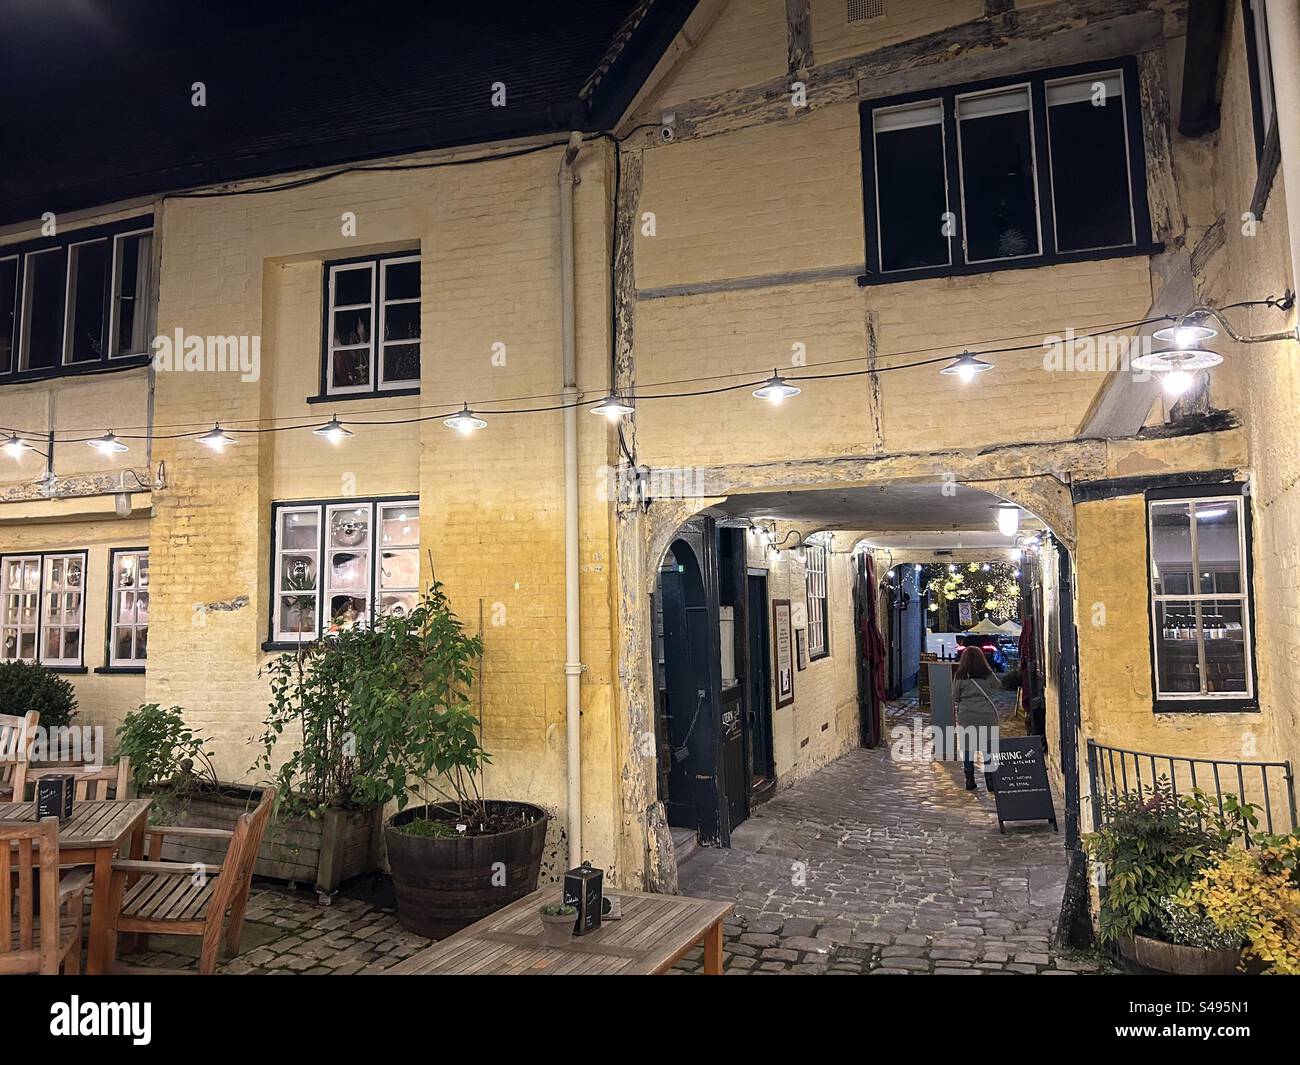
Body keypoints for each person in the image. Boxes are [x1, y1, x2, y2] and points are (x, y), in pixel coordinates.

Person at [953, 646, 1001, 791]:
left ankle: (970, 780)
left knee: (968, 748)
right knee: (987, 748)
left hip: (967, 715)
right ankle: (990, 782)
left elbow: (955, 697)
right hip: (986, 714)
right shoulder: (987, 674)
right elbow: (998, 686)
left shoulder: (960, 676)